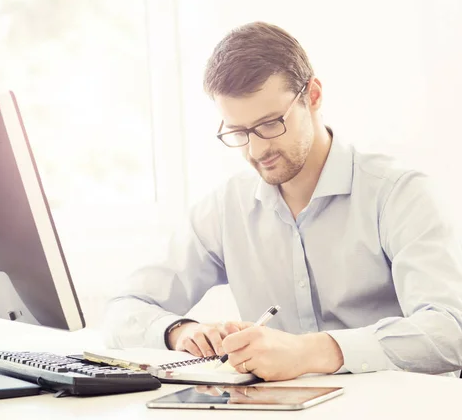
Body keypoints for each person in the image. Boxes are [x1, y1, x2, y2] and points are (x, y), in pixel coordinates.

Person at [102, 21, 462, 381]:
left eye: (271, 123)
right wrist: (180, 332)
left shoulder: (399, 193)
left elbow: (450, 330)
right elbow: (124, 310)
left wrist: (312, 352)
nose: (257, 150)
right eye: (238, 133)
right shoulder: (227, 207)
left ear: (314, 95)